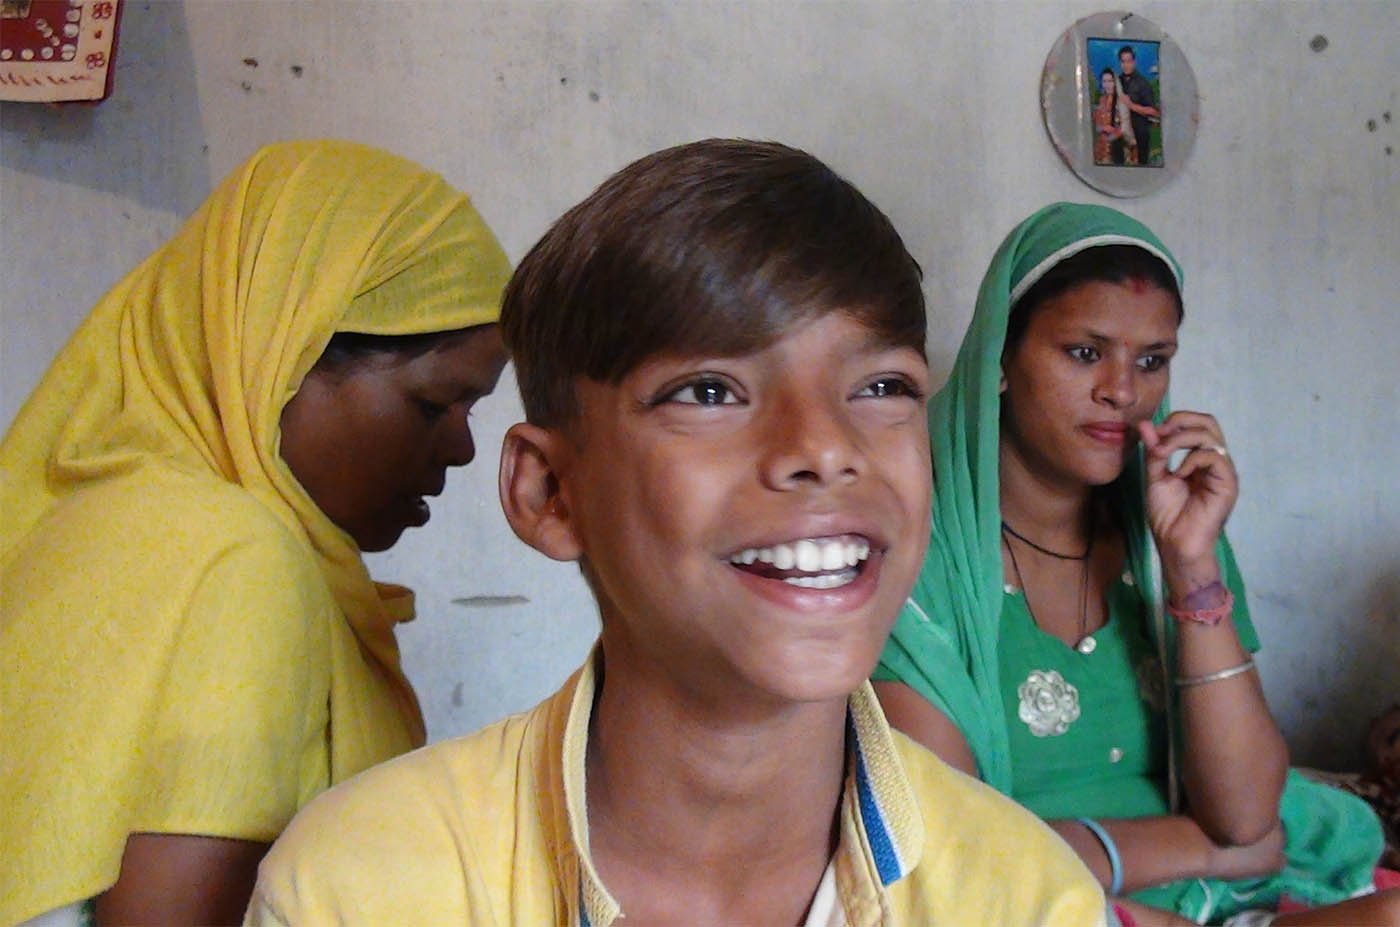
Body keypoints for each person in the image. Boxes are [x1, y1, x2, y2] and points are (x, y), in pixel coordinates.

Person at [245, 140, 1111, 926]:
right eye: (708, 391)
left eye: (882, 386)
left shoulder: (1026, 899)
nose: (824, 447)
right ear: (551, 491)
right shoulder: (360, 891)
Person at [0, 140, 513, 926]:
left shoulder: (89, 522)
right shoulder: (237, 558)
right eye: (432, 404)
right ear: (283, 355)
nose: (464, 448)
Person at [872, 202, 1398, 926]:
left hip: (1219, 902)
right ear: (999, 359)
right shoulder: (916, 562)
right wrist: (1202, 850)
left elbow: (1246, 814)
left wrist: (1192, 567)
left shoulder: (1167, 537)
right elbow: (958, 851)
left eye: (1152, 360)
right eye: (1085, 352)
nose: (1124, 389)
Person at [1116, 47, 1159, 166]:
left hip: (1139, 134)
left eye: (1129, 61)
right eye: (1123, 61)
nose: (1126, 65)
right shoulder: (1118, 81)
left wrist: (1130, 105)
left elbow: (1153, 111)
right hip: (1121, 134)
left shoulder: (1143, 83)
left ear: (1134, 62)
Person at [1094, 69, 1136, 166]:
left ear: (1115, 82)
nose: (1107, 84)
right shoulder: (1102, 100)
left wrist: (1111, 137)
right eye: (1104, 81)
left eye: (1110, 81)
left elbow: (1125, 127)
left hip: (1120, 146)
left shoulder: (1122, 100)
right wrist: (1104, 128)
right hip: (1103, 148)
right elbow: (1097, 126)